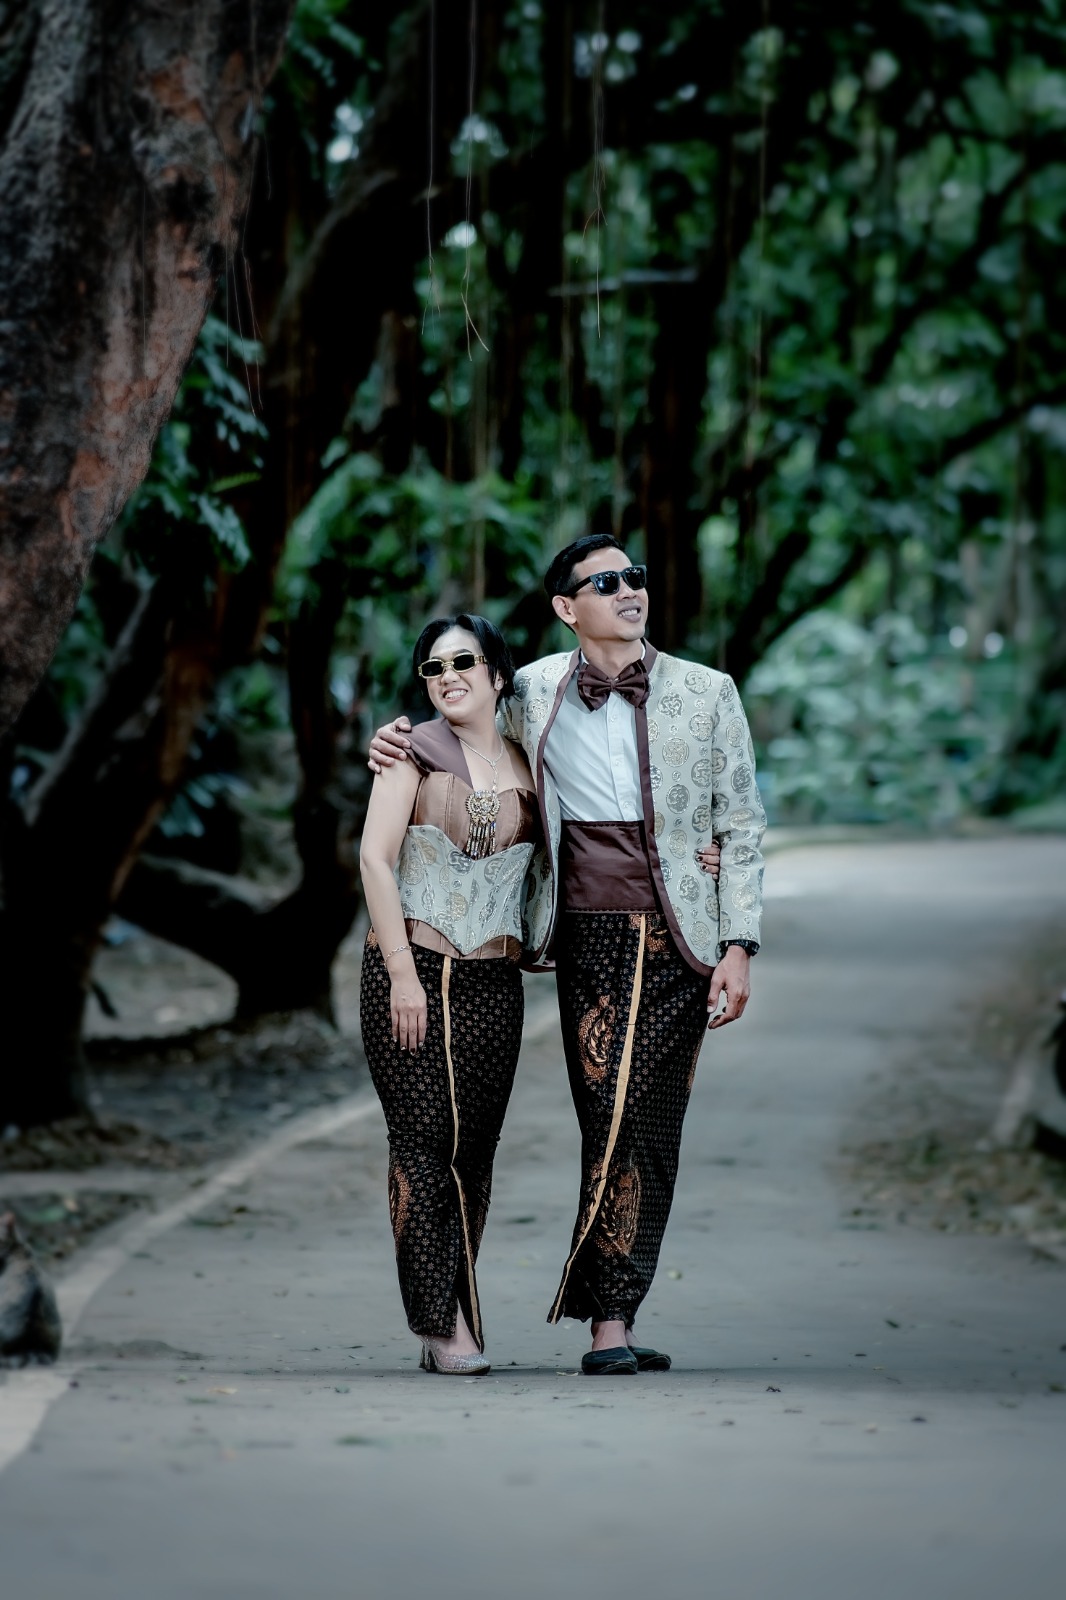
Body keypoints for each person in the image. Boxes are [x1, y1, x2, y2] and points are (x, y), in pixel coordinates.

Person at [369, 534, 760, 1375]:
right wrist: (391, 740)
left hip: (684, 937)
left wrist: (739, 942)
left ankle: (614, 1317)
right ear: (565, 607)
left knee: (652, 1125)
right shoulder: (532, 688)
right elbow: (459, 723)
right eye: (605, 582)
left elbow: (740, 822)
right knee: (606, 1113)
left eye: (634, 578)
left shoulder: (710, 691)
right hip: (584, 932)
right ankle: (570, 1320)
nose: (628, 591)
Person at [358, 614, 551, 1375]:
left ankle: (456, 1306)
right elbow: (375, 860)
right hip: (410, 968)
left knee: (474, 1153)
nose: (447, 678)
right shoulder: (409, 751)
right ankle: (440, 1327)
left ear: (498, 675)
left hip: (495, 980)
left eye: (463, 662)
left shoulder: (535, 759)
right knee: (422, 1143)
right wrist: (403, 976)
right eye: (433, 668)